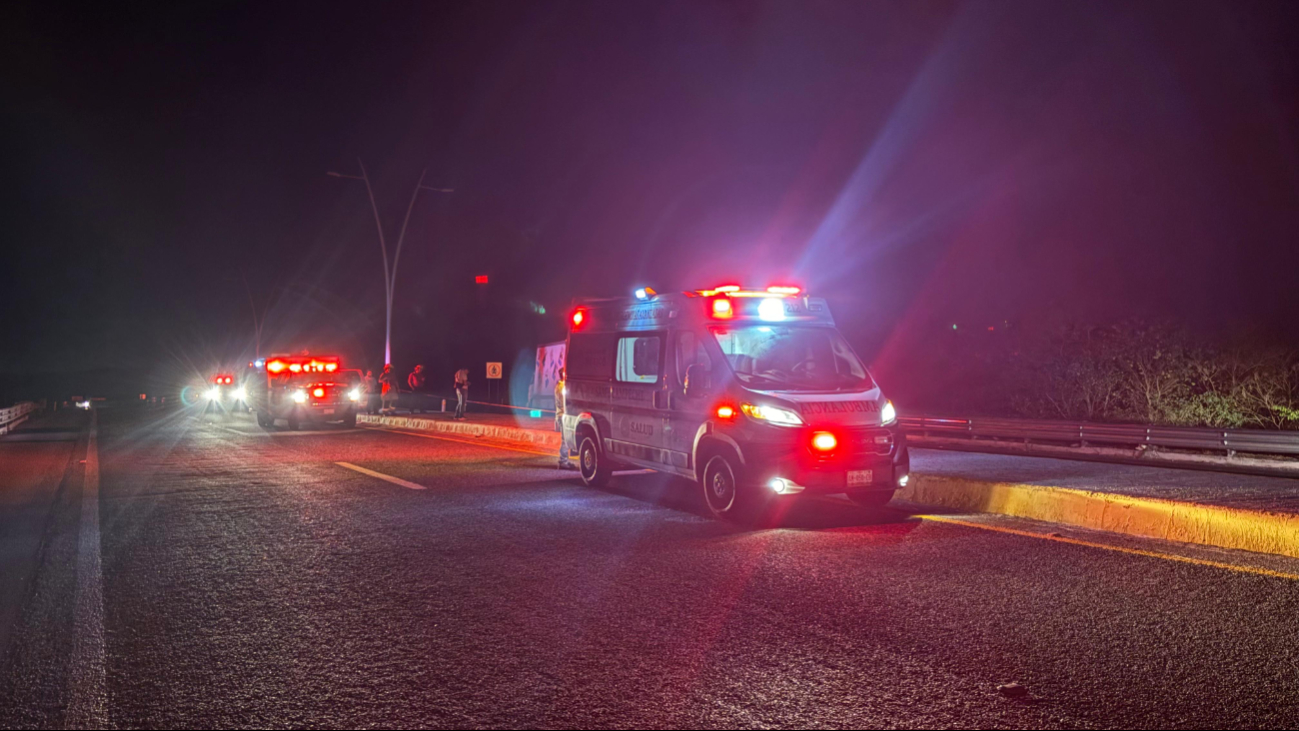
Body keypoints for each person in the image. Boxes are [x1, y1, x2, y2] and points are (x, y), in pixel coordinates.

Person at [554, 366, 574, 469]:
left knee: (566, 439)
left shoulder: (560, 386)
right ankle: (563, 462)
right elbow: (564, 403)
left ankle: (564, 461)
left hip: (561, 415)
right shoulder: (561, 387)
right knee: (565, 440)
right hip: (562, 415)